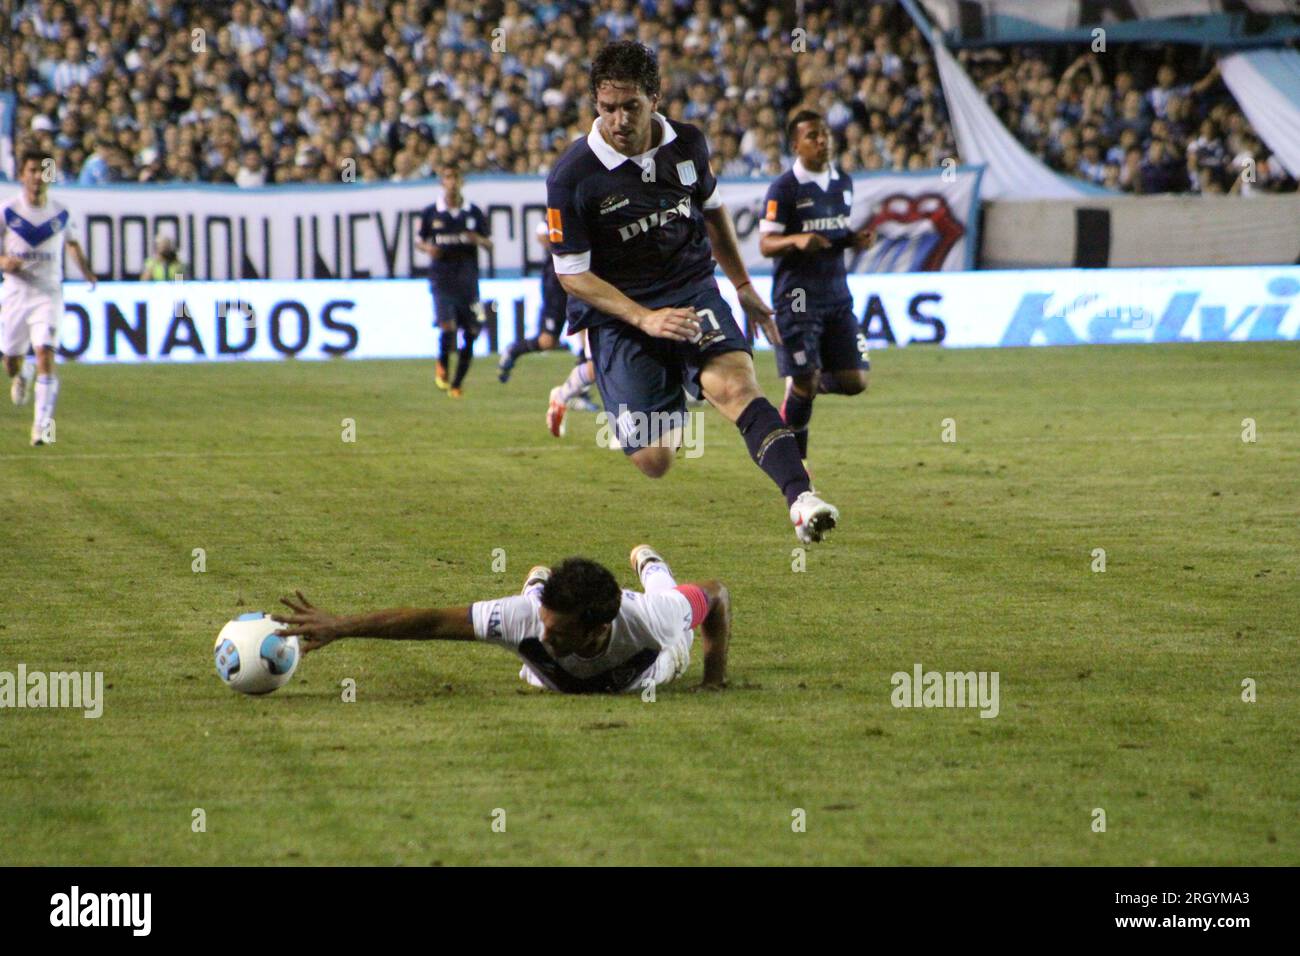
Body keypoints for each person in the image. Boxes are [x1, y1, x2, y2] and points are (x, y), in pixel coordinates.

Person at [545, 41, 839, 543]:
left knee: (737, 387)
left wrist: (742, 285)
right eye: (608, 107)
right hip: (620, 315)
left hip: (690, 289)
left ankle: (801, 497)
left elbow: (713, 212)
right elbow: (572, 274)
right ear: (596, 103)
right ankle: (610, 377)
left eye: (631, 106)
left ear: (655, 97)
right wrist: (643, 319)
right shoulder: (572, 177)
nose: (619, 119)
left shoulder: (688, 144)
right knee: (656, 461)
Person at [273, 545, 730, 694]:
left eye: (560, 630)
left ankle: (649, 563)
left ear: (597, 628)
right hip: (552, 670)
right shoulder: (525, 620)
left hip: (654, 666)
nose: (545, 634)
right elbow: (430, 622)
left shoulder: (655, 620)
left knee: (667, 595)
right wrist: (341, 626)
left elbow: (717, 595)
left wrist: (713, 681)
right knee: (522, 607)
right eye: (545, 622)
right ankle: (536, 586)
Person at [759, 110, 873, 467]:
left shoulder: (844, 183)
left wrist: (854, 239)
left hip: (837, 296)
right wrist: (796, 240)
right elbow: (766, 244)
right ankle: (797, 468)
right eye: (812, 136)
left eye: (824, 135)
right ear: (795, 145)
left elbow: (834, 234)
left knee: (856, 381)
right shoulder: (784, 188)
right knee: (805, 383)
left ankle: (804, 383)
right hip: (797, 298)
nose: (822, 141)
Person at [1, 148, 96, 446]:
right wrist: (4, 263)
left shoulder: (61, 213)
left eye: (43, 171)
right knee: (11, 362)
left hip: (48, 294)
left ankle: (41, 426)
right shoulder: (7, 211)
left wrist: (88, 273)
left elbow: (73, 245)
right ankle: (23, 372)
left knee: (45, 352)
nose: (37, 177)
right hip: (16, 294)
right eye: (32, 171)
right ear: (22, 175)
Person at [416, 165, 492, 398]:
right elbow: (420, 241)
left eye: (455, 178)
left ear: (461, 182)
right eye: (447, 178)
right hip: (442, 278)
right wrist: (428, 248)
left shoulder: (474, 212)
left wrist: (477, 239)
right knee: (447, 325)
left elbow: (489, 244)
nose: (451, 182)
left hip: (468, 280)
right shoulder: (431, 213)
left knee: (471, 331)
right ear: (442, 183)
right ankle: (442, 364)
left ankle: (457, 384)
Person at [497, 220, 571, 382]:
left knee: (587, 333)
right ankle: (514, 350)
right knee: (547, 341)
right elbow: (541, 231)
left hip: (578, 282)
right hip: (557, 290)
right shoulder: (558, 212)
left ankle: (580, 390)